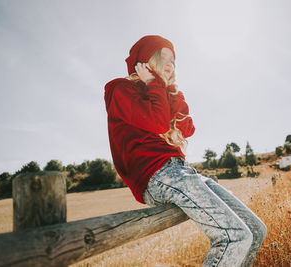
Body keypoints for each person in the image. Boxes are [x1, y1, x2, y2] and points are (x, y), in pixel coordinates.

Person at [104, 35, 267, 267]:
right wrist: (154, 83)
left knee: (256, 230)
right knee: (235, 238)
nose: (170, 63)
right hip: (157, 176)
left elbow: (187, 128)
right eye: (163, 57)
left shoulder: (160, 92)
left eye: (173, 59)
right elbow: (158, 123)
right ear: (144, 60)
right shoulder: (119, 89)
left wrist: (171, 91)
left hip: (181, 172)